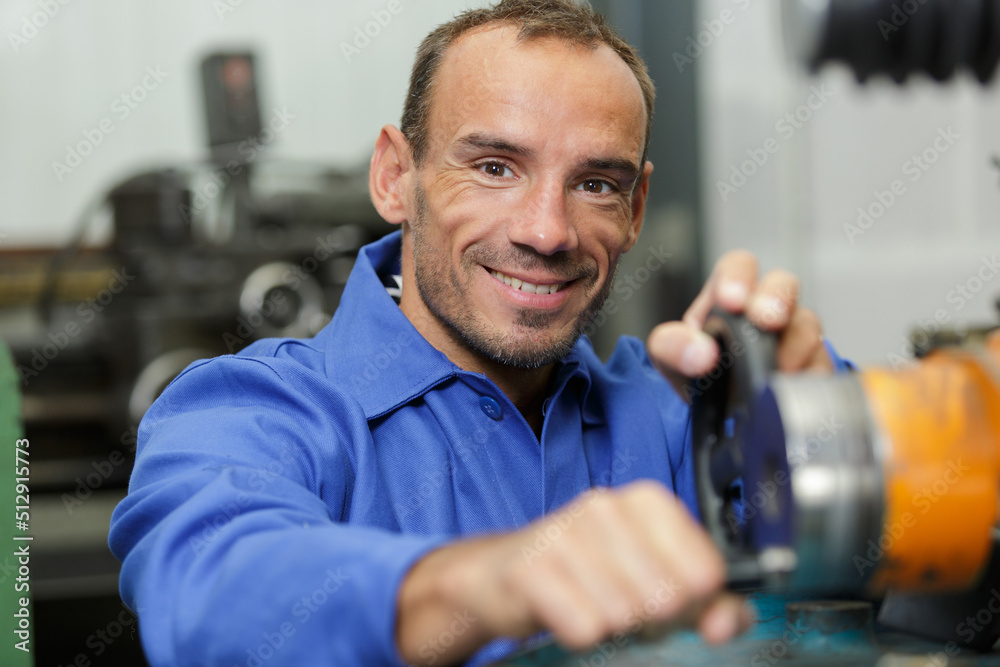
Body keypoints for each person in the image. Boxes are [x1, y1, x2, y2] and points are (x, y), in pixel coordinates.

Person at [109, 1, 847, 665]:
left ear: (636, 206)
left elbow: (918, 542)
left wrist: (821, 424)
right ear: (396, 176)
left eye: (595, 184)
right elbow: (206, 590)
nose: (547, 231)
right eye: (495, 166)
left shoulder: (686, 412)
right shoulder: (252, 410)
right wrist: (490, 579)